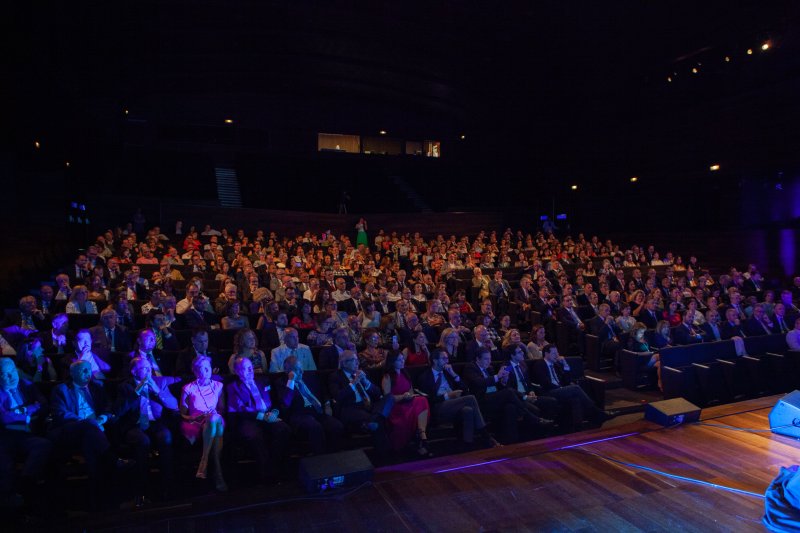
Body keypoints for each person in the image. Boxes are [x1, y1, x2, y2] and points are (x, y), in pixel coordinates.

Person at [49, 360, 117, 509]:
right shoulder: (61, 390)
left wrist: (102, 418)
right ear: (72, 373)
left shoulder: (97, 387)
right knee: (90, 428)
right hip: (70, 430)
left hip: (94, 431)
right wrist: (86, 422)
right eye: (83, 371)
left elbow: (109, 406)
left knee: (90, 442)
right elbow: (60, 413)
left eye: (89, 370)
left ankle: (95, 497)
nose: (88, 374)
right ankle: (112, 461)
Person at [113, 357, 180, 507]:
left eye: (149, 368)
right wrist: (136, 392)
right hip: (134, 425)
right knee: (143, 441)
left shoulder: (159, 383)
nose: (149, 371)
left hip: (154, 422)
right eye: (144, 368)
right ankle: (141, 491)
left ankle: (166, 488)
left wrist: (157, 392)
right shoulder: (125, 387)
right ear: (134, 371)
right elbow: (118, 411)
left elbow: (174, 405)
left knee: (166, 437)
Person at [464, 347, 552, 443]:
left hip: (497, 397)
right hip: (481, 400)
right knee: (509, 392)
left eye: (490, 359)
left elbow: (500, 386)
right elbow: (479, 383)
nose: (489, 361)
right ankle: (532, 415)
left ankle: (512, 440)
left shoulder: (519, 365)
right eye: (486, 359)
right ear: (477, 359)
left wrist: (504, 380)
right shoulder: (471, 368)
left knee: (510, 407)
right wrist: (498, 376)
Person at [226, 357, 290, 483]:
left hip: (268, 414)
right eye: (246, 368)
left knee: (284, 429)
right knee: (255, 436)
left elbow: (276, 400)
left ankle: (275, 465)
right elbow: (241, 409)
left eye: (251, 367)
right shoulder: (233, 387)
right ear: (238, 371)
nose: (251, 371)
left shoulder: (263, 380)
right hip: (248, 419)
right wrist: (263, 417)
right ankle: (267, 475)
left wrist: (274, 413)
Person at [0, 357, 52, 509]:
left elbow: (43, 404)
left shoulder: (26, 384)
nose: (11, 376)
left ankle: (25, 485)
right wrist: (29, 412)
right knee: (5, 464)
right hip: (5, 436)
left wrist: (20, 411)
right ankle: (10, 502)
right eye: (5, 374)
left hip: (27, 435)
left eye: (12, 371)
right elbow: (4, 418)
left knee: (44, 445)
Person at [416, 349, 493, 448]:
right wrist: (447, 396)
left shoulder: (448, 373)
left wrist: (454, 374)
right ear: (435, 361)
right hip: (438, 407)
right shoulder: (425, 377)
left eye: (447, 358)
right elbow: (428, 400)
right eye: (444, 358)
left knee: (468, 410)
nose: (447, 361)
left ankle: (467, 444)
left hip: (454, 404)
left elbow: (465, 389)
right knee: (470, 398)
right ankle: (485, 434)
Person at [532, 344, 617, 431]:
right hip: (548, 391)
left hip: (560, 390)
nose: (557, 355)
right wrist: (561, 388)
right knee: (575, 388)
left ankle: (577, 429)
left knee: (575, 398)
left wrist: (565, 364)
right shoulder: (540, 364)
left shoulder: (556, 365)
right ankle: (597, 412)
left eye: (557, 353)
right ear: (546, 354)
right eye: (554, 353)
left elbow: (567, 380)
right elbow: (545, 383)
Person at [277, 355, 343, 455]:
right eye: (297, 369)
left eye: (301, 368)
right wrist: (291, 381)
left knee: (337, 426)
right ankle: (320, 458)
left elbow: (323, 391)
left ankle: (334, 456)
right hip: (300, 415)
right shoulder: (281, 382)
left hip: (317, 411)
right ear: (287, 371)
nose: (302, 372)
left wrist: (327, 404)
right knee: (315, 427)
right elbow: (286, 402)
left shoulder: (309, 376)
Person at [328, 350, 390, 455]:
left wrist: (366, 382)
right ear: (344, 363)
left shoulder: (363, 373)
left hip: (369, 406)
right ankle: (383, 453)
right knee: (378, 420)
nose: (357, 362)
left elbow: (378, 393)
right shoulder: (335, 376)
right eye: (353, 360)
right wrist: (354, 382)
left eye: (357, 359)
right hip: (351, 408)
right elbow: (338, 397)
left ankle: (371, 420)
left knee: (389, 398)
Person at [180, 356, 227, 491]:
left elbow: (222, 410)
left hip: (215, 420)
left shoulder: (218, 386)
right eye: (203, 368)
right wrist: (197, 416)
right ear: (195, 371)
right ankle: (218, 473)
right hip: (195, 422)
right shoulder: (188, 388)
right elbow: (182, 414)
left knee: (214, 418)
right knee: (214, 425)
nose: (207, 370)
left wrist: (211, 415)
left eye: (208, 367)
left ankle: (204, 460)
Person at [381, 351, 431, 456]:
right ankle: (421, 437)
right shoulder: (387, 377)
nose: (402, 361)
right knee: (420, 402)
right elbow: (388, 399)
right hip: (396, 407)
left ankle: (422, 433)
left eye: (403, 359)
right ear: (392, 362)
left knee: (422, 400)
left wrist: (409, 396)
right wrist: (402, 396)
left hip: (407, 402)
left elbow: (411, 391)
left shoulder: (405, 373)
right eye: (399, 360)